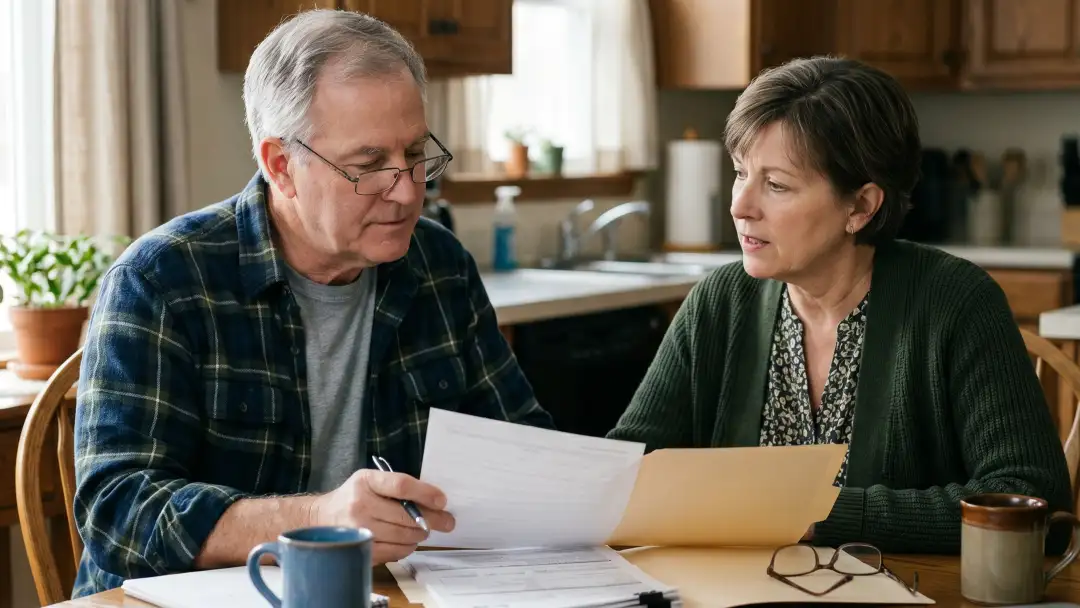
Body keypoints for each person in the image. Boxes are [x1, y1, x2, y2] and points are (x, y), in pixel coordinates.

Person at [71, 9, 554, 598]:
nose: (406, 191)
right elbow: (117, 513)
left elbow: (521, 448)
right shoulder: (162, 280)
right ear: (281, 165)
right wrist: (316, 518)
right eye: (369, 165)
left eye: (414, 153)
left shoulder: (439, 266)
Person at [607, 56, 1073, 554]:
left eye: (777, 185)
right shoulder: (719, 302)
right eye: (742, 173)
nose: (740, 205)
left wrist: (816, 513)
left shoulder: (955, 302)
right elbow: (629, 467)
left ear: (861, 206)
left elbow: (1033, 499)